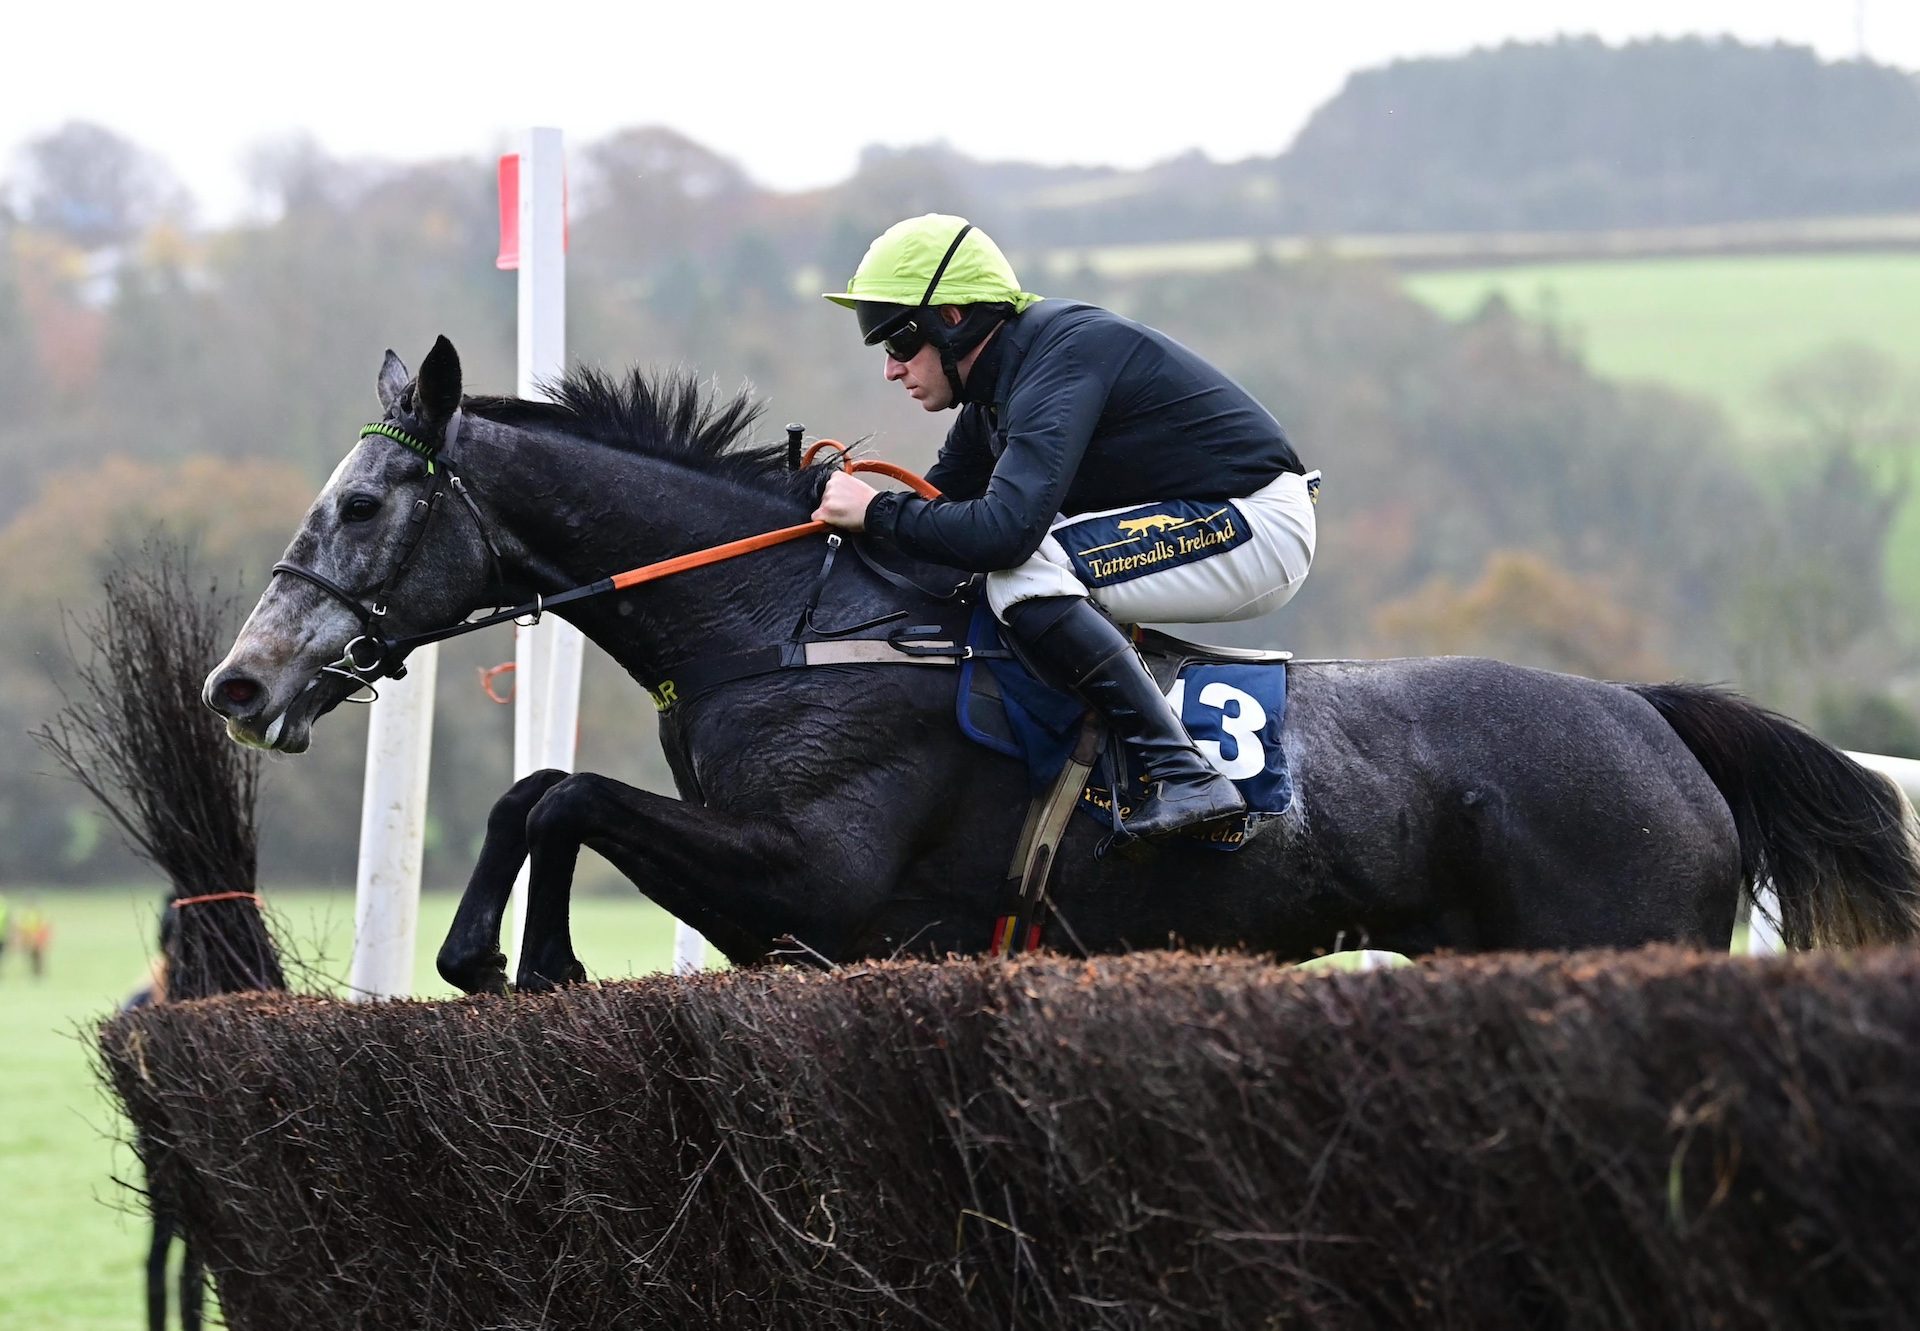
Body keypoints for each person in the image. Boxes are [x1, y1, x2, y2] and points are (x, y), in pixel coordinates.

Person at [817, 214, 1316, 840]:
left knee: (1024, 572)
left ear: (952, 317)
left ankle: (1185, 772)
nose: (891, 370)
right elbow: (939, 510)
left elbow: (1001, 533)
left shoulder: (1059, 358)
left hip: (1257, 523)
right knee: (996, 570)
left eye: (897, 343)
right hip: (1212, 516)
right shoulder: (995, 390)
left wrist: (876, 512)